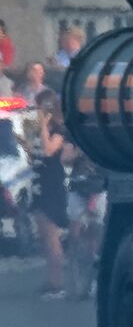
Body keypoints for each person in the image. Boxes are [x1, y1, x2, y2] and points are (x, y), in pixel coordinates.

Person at [29, 90, 70, 299]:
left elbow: (48, 151)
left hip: (52, 187)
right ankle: (51, 279)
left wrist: (44, 126)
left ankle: (59, 284)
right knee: (44, 238)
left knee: (52, 237)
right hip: (39, 186)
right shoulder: (40, 131)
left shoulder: (58, 130)